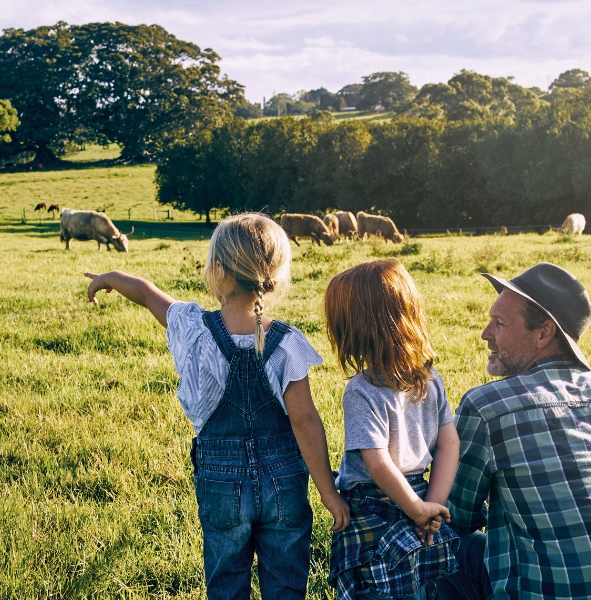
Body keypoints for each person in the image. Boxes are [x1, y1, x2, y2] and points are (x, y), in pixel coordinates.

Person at [84, 212, 350, 599]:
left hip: (220, 481)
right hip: (285, 483)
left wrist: (109, 277)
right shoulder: (287, 342)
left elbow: (145, 293)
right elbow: (305, 421)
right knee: (288, 582)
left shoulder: (193, 329)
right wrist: (327, 491)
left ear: (219, 271)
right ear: (274, 273)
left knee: (226, 581)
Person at [440, 262, 591, 600]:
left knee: (441, 550)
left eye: (500, 323)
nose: (486, 333)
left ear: (543, 334)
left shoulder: (488, 406)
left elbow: (452, 517)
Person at [323, 259, 461, 600]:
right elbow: (450, 445)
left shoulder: (361, 389)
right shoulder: (431, 380)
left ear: (353, 330)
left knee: (378, 588)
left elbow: (378, 464)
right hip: (421, 495)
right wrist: (432, 505)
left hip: (373, 507)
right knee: (419, 585)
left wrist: (417, 510)